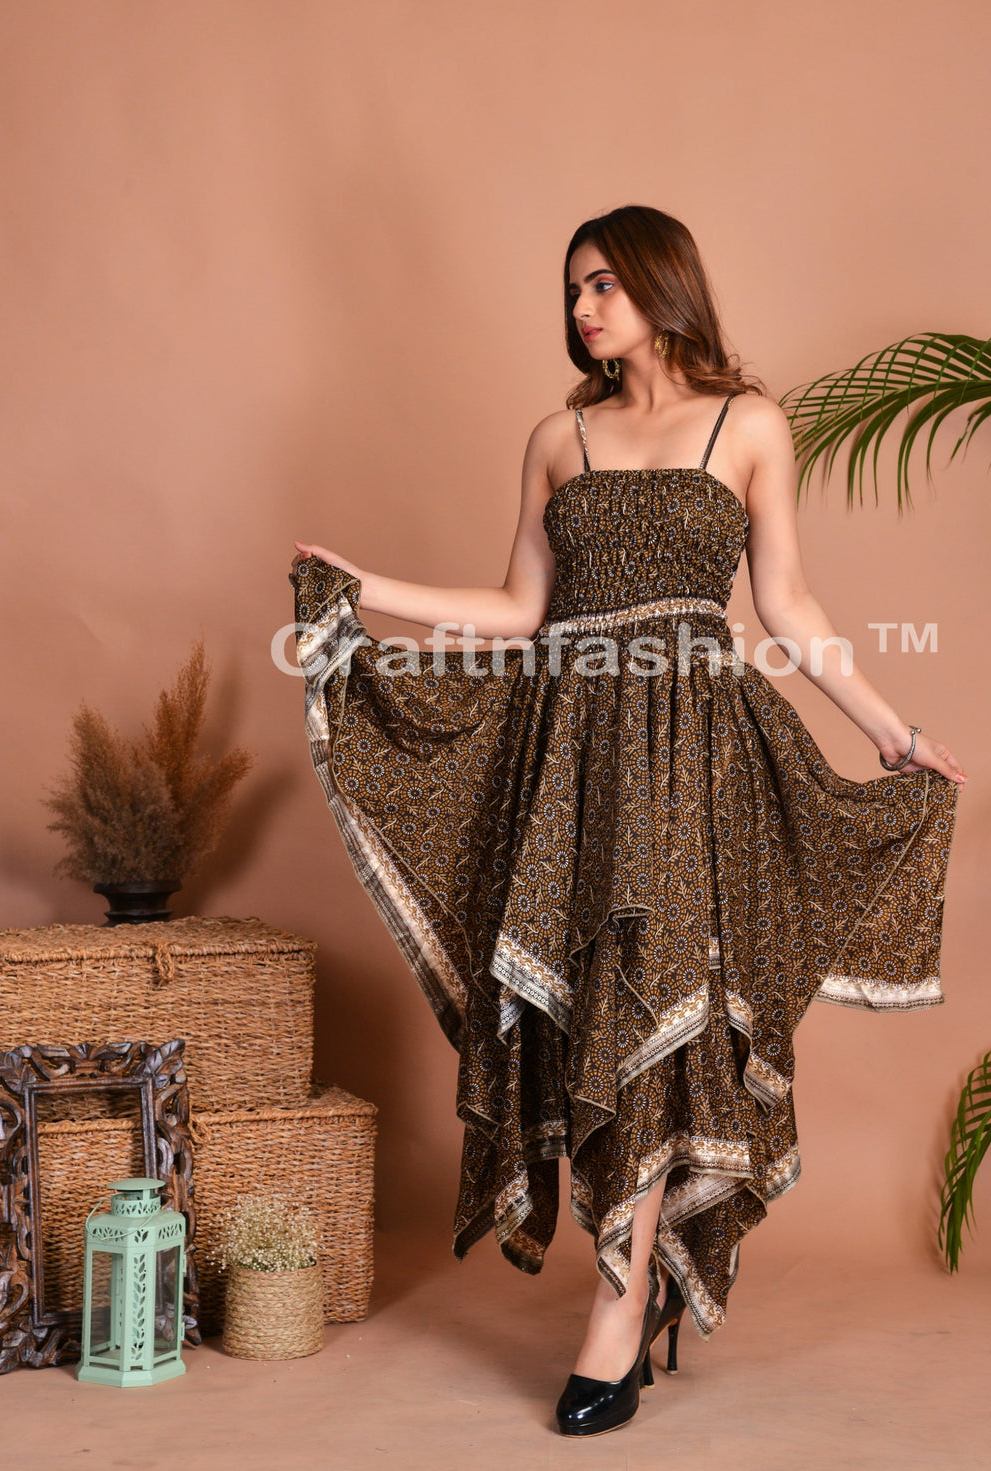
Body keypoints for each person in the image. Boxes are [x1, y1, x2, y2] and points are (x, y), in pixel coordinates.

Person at [290, 205, 966, 1437]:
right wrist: (366, 587)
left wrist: (888, 729)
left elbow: (790, 604)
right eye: (571, 291)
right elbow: (516, 606)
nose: (581, 308)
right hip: (576, 759)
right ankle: (635, 1280)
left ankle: (615, 1309)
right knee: (592, 1011)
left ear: (662, 283)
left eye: (601, 283)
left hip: (698, 755)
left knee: (662, 1009)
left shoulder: (748, 425)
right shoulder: (559, 438)